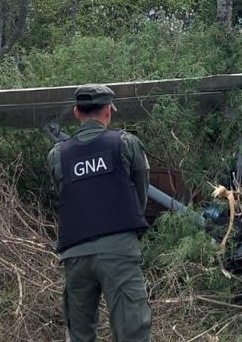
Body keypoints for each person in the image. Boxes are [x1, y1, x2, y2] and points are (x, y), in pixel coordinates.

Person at [48, 84, 152, 342]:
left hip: (76, 255)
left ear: (76, 112)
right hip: (118, 251)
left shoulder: (57, 155)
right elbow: (140, 194)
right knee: (132, 332)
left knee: (79, 335)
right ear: (108, 111)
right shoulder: (125, 143)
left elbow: (66, 194)